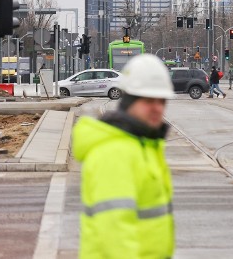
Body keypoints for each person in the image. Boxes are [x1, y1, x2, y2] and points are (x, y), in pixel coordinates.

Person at [72, 54, 175, 259]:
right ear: (128, 101)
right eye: (148, 100)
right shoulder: (114, 152)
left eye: (161, 100)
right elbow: (114, 231)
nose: (157, 107)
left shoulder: (141, 145)